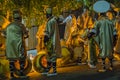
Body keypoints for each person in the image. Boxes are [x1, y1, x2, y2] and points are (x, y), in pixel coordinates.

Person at [91, 1, 118, 72]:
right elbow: (114, 31)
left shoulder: (99, 21)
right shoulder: (110, 21)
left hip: (102, 39)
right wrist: (115, 38)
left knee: (102, 51)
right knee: (110, 51)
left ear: (99, 13)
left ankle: (103, 67)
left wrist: (90, 34)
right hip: (110, 39)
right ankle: (111, 66)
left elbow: (94, 30)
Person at [3, 9, 29, 79]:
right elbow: (26, 35)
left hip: (10, 47)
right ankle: (21, 73)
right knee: (22, 59)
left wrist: (9, 37)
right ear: (20, 17)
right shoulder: (21, 25)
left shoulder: (8, 26)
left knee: (11, 60)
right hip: (19, 46)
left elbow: (3, 34)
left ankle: (11, 74)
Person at [42, 7, 61, 76]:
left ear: (48, 14)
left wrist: (45, 39)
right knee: (49, 55)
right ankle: (48, 69)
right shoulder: (53, 20)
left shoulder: (50, 21)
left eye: (46, 14)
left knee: (52, 55)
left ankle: (54, 71)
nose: (45, 15)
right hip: (53, 40)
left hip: (51, 41)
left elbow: (48, 33)